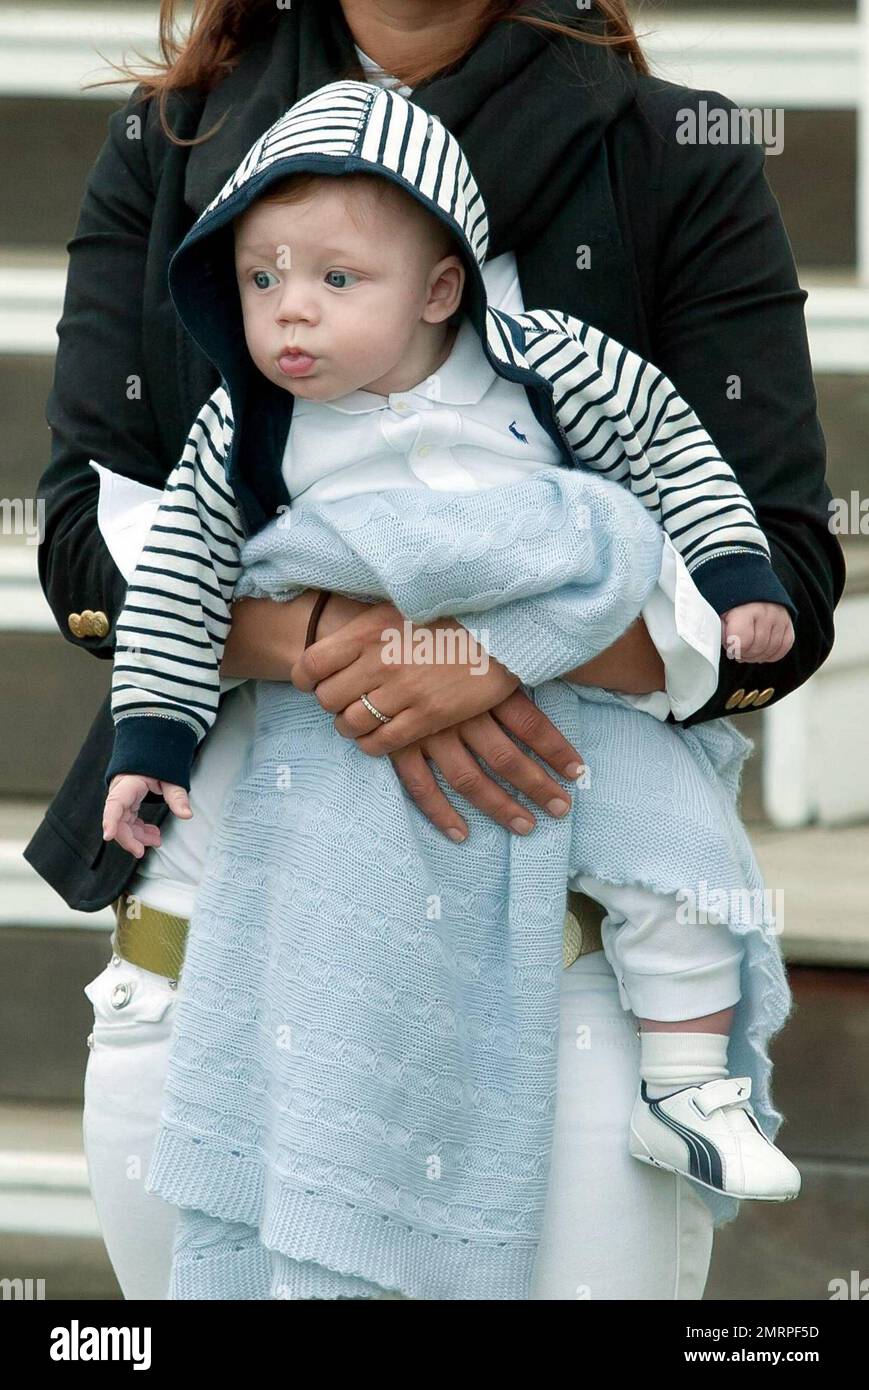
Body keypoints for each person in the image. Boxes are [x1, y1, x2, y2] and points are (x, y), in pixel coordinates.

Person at [29, 0, 844, 1299]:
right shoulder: (172, 138)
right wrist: (324, 638)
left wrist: (506, 648)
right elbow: (86, 539)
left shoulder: (669, 152)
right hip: (208, 957)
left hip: (559, 983)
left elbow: (779, 578)